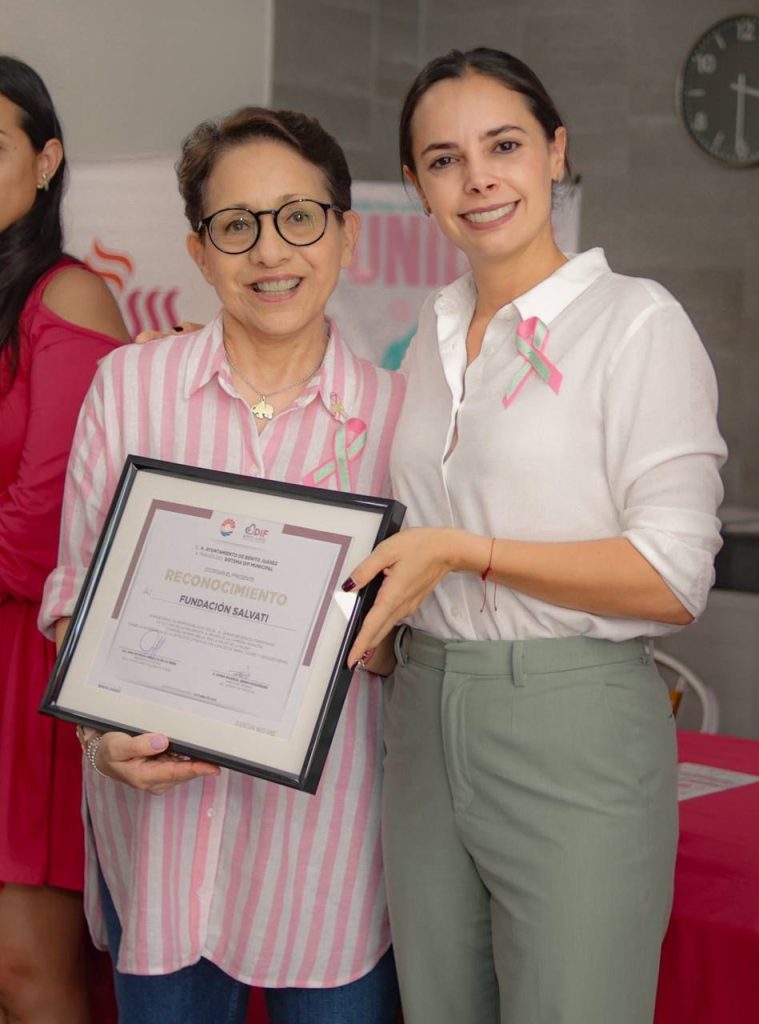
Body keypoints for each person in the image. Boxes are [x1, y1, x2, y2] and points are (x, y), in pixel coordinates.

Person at [344, 48, 727, 1024]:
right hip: (422, 719)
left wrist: (465, 551)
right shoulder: (424, 343)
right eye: (443, 158)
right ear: (418, 187)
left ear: (556, 152)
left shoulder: (635, 325)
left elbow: (674, 577)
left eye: (503, 144)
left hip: (573, 720)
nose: (477, 178)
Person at [40, 106, 404, 1024]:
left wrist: (381, 641)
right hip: (157, 855)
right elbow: (73, 598)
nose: (270, 250)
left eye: (299, 216)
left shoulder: (401, 424)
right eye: (235, 225)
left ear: (345, 234)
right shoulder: (131, 387)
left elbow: (425, 638)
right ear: (199, 253)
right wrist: (97, 735)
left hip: (327, 863)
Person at [0, 56, 129, 1024]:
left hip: (22, 668)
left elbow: (42, 536)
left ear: (46, 160)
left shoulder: (69, 297)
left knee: (28, 974)